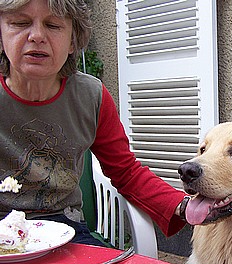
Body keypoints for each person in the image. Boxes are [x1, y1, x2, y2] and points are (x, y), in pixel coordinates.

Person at [0, 0, 192, 246]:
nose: (37, 36)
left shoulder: (91, 97)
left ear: (72, 40)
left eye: (54, 25)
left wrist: (183, 205)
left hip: (65, 230)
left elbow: (126, 172)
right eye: (20, 23)